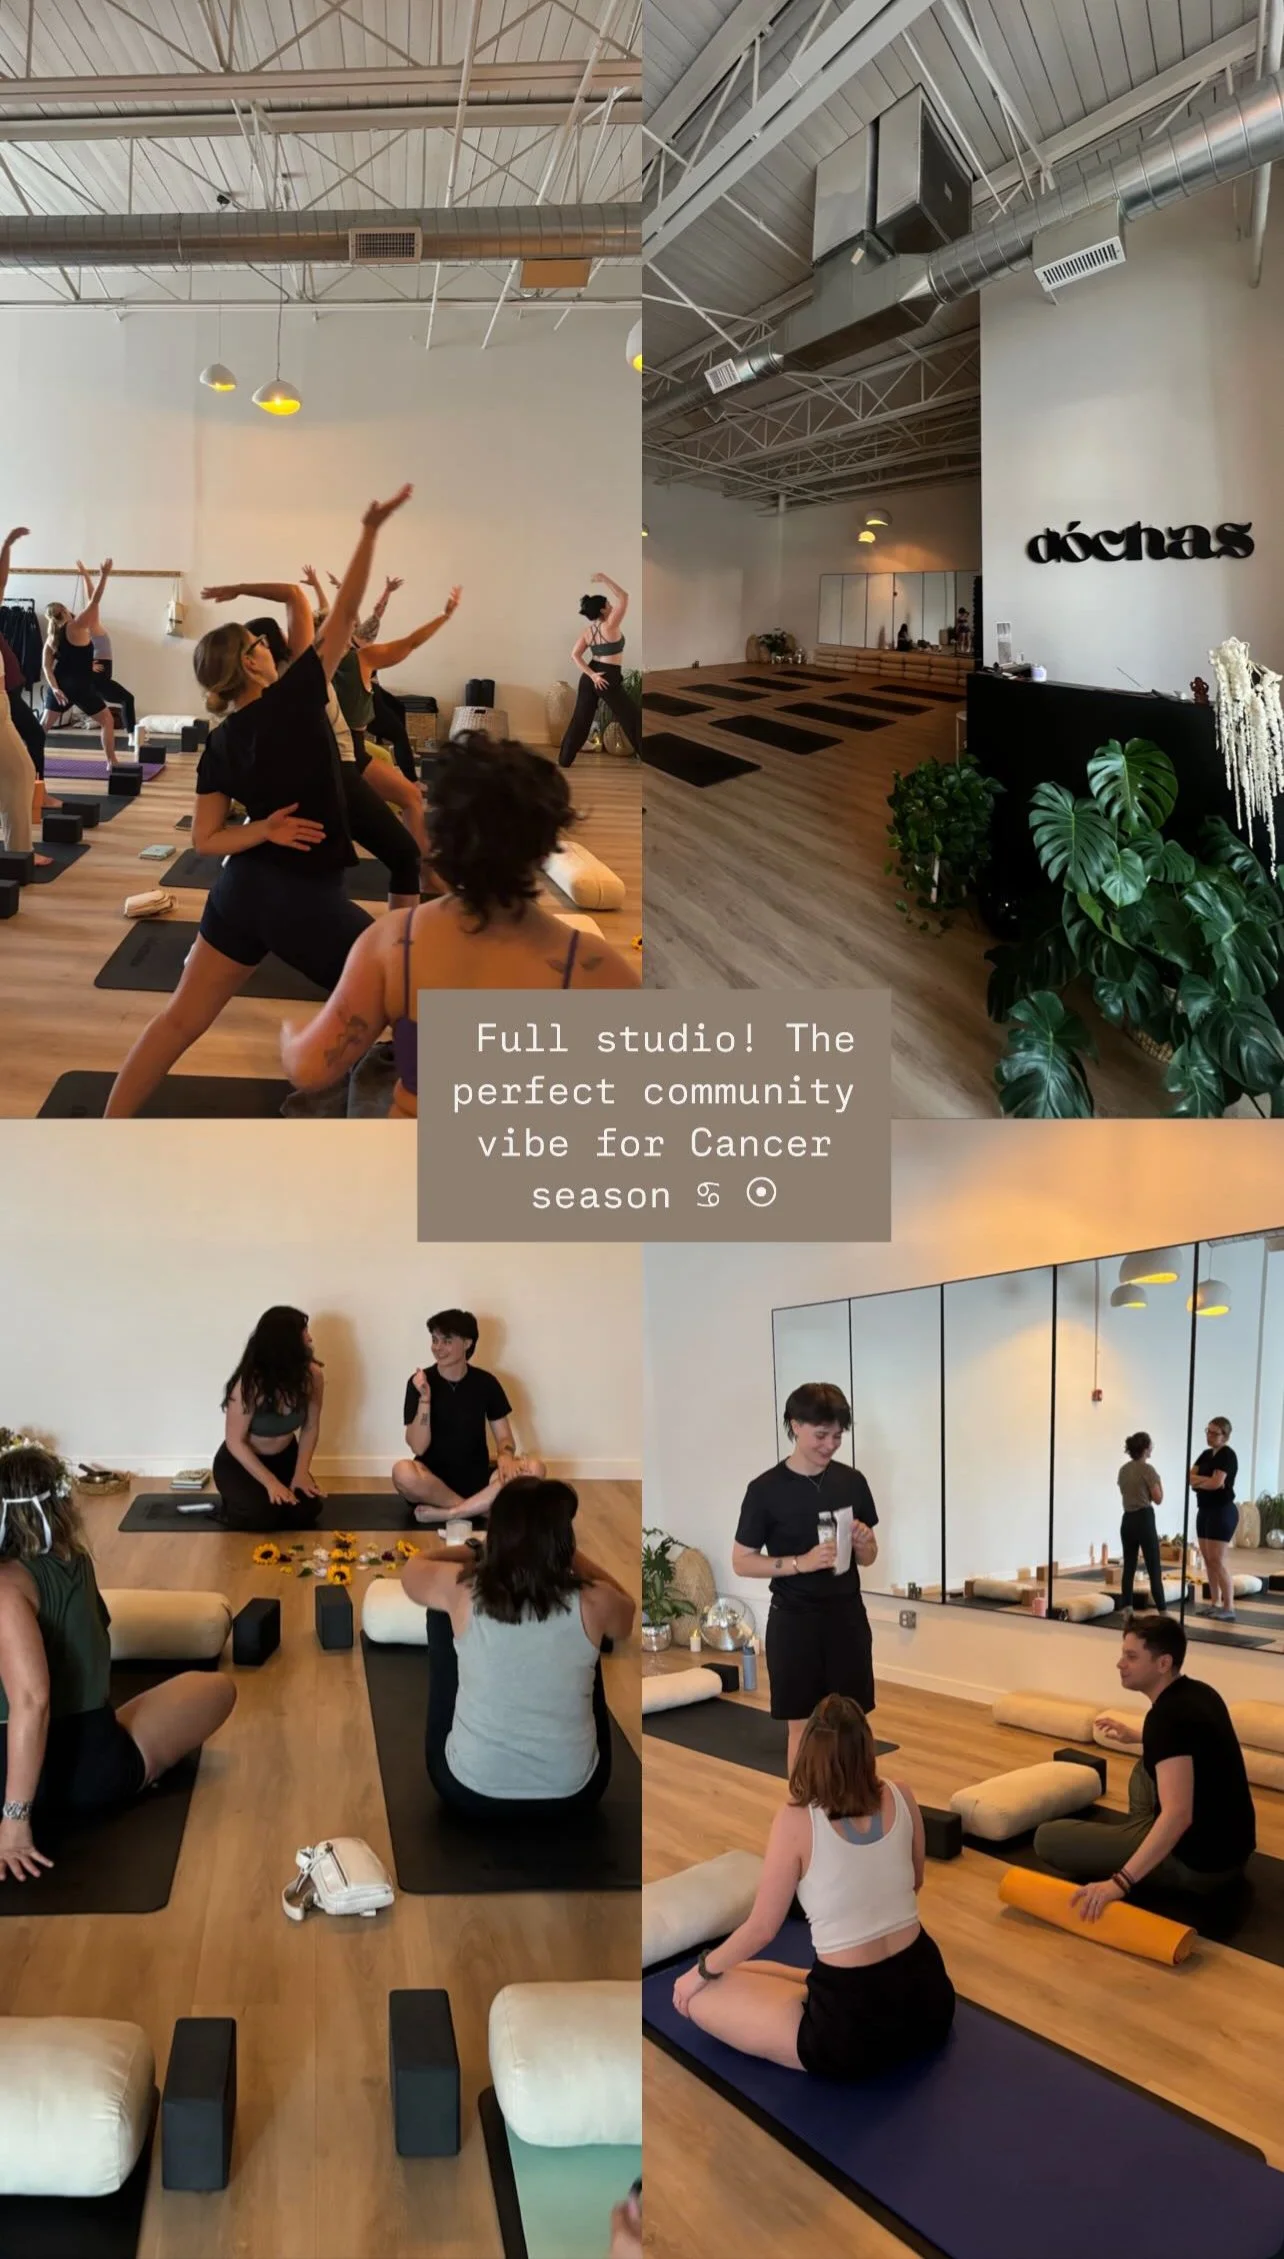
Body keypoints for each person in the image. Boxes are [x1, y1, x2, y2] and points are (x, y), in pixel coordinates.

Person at [102, 485, 411, 1118]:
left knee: (178, 1022)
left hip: (241, 890)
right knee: (408, 996)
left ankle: (109, 1127)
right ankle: (363, 1102)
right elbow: (344, 615)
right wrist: (370, 529)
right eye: (258, 644)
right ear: (248, 665)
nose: (270, 645)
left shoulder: (221, 742)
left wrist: (263, 829)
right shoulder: (296, 700)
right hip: (295, 897)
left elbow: (205, 841)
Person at [279, 736, 640, 1115]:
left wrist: (291, 1037)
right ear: (547, 848)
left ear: (438, 837)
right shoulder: (588, 964)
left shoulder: (395, 940)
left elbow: (309, 1069)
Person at [670, 1694, 954, 2080]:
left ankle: (794, 1989)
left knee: (704, 1997)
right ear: (867, 1748)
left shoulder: (797, 1820)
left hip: (851, 2031)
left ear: (809, 1754)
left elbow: (762, 1928)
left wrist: (697, 1974)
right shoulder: (901, 1794)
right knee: (744, 1971)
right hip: (929, 1997)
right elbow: (915, 1881)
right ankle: (817, 1984)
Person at [0, 1441, 235, 1884]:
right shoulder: (76, 1562)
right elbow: (44, 1693)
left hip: (21, 1786)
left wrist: (14, 1820)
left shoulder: (6, 1584)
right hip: (95, 1771)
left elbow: (32, 1703)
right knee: (217, 1688)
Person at [400, 1475, 634, 1819]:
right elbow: (626, 1611)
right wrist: (573, 1560)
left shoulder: (464, 1591)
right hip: (575, 1796)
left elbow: (413, 1571)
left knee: (442, 1614)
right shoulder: (592, 1601)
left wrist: (475, 1550)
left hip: (467, 1790)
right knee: (590, 1637)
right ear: (562, 1542)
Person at [1033, 1613, 1256, 1907]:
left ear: (1163, 1663)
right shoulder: (1201, 1692)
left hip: (1199, 1867)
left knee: (1048, 1838)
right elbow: (1191, 1742)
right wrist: (1138, 1735)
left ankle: (1148, 1843)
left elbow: (1179, 1815)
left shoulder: (1165, 1719)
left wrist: (1119, 1883)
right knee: (1143, 1768)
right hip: (1233, 1851)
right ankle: (1146, 1834)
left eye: (1131, 1656)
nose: (1120, 1664)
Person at [732, 1382, 879, 1772]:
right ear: (794, 1426)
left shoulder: (852, 1481)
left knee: (854, 1723)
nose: (830, 1445)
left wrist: (864, 1542)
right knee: (803, 1727)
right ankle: (801, 1816)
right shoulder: (765, 1490)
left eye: (837, 1436)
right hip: (794, 1620)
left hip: (847, 1616)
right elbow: (742, 1561)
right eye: (821, 1435)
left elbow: (869, 1557)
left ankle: (858, 1805)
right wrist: (800, 1562)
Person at [243, 612, 427, 911]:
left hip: (343, 762)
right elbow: (298, 599)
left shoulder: (284, 678)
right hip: (338, 769)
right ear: (262, 647)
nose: (290, 634)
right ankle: (398, 944)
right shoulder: (298, 673)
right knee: (402, 855)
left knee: (329, 867)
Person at [392, 1309, 545, 1523]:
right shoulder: (418, 1382)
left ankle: (454, 1513)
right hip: (432, 1481)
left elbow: (504, 1437)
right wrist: (424, 1399)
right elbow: (418, 1447)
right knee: (402, 1472)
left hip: (478, 1477)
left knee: (535, 1469)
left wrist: (506, 1456)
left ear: (467, 1343)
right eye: (435, 1340)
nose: (438, 1348)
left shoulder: (486, 1383)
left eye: (446, 1341)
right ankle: (481, 1509)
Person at [212, 1306, 326, 1532]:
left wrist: (301, 1472)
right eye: (304, 1332)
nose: (310, 1338)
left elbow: (311, 1426)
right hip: (242, 1464)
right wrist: (271, 1483)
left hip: (286, 1458)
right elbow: (235, 1441)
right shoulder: (248, 1385)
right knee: (261, 1517)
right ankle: (231, 1505)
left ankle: (271, 1499)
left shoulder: (312, 1376)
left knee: (306, 1512)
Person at [42, 559, 129, 766]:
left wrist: (55, 689)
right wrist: (104, 575)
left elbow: (47, 667)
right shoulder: (77, 626)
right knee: (107, 720)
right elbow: (95, 600)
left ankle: (29, 760)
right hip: (81, 687)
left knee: (43, 726)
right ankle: (112, 762)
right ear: (64, 610)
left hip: (61, 686)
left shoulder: (52, 638)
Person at [559, 572, 640, 768]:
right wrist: (604, 579)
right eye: (609, 605)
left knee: (580, 720)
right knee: (632, 718)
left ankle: (564, 761)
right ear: (603, 610)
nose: (612, 607)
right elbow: (624, 596)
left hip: (591, 676)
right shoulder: (611, 624)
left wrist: (592, 675)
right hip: (607, 676)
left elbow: (575, 655)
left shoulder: (589, 631)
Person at [0, 525, 41, 862]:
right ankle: (18, 853)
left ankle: (18, 852)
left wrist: (7, 546)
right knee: (20, 772)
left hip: (3, 706)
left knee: (19, 773)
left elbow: (0, 583)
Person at [74, 561, 136, 733]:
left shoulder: (90, 628)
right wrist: (99, 575)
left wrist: (85, 574)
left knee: (125, 700)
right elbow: (93, 599)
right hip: (99, 678)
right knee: (127, 699)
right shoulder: (91, 627)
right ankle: (131, 734)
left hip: (99, 677)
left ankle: (130, 733)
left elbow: (92, 598)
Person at [1190, 1414, 1239, 1622]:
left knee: (1218, 1559)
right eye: (1207, 1431)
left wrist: (1203, 1481)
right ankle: (1214, 1602)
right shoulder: (1205, 1454)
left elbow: (1217, 1483)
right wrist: (1205, 1481)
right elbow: (1190, 1478)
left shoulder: (1227, 1455)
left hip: (1222, 1510)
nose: (1209, 1436)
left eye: (1214, 1433)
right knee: (1208, 1559)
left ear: (1225, 1436)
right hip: (1205, 1509)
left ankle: (1229, 1606)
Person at [1118, 1430, 1166, 1615]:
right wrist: (1158, 1483)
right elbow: (1158, 1498)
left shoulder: (1123, 1470)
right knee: (1153, 1566)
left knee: (1129, 1566)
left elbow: (1127, 1493)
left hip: (1127, 1519)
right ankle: (1162, 1610)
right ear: (1146, 1448)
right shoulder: (1148, 1470)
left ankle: (1127, 1609)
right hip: (1144, 1518)